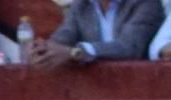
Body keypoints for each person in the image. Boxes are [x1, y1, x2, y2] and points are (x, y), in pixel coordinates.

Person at [29, 0, 164, 67]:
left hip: (139, 91)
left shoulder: (145, 3)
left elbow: (129, 47)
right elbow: (64, 35)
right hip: (97, 91)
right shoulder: (81, 5)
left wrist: (74, 53)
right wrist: (44, 49)